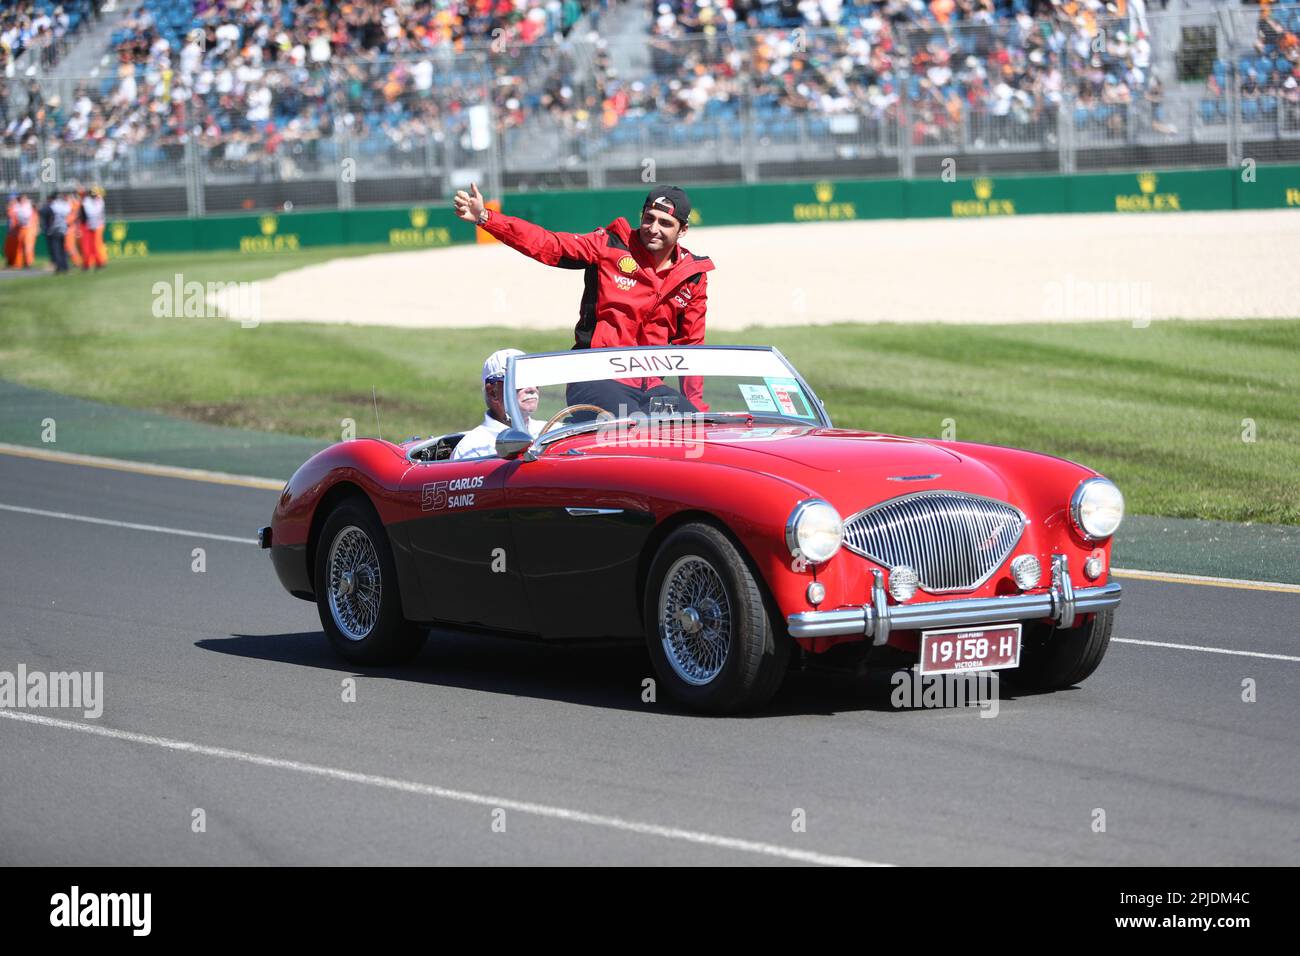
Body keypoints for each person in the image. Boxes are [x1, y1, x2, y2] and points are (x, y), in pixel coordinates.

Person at [452, 183, 713, 416]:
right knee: (635, 427)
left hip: (650, 387)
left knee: (695, 434)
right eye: (649, 219)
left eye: (665, 223)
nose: (653, 229)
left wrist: (697, 412)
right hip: (594, 375)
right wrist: (486, 217)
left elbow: (692, 348)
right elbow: (548, 244)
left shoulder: (692, 276)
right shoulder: (609, 245)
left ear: (683, 230)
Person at [450, 348, 551, 461]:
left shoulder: (552, 431)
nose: (532, 388)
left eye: (533, 378)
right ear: (493, 392)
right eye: (519, 381)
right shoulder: (473, 449)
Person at [40, 191, 70, 273]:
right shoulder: (64, 205)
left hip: (54, 230)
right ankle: (65, 266)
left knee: (56, 250)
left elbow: (43, 212)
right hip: (63, 229)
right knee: (63, 249)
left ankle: (59, 267)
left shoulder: (52, 206)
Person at [79, 185, 107, 270]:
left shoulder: (98, 202)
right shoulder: (87, 201)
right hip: (88, 226)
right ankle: (88, 263)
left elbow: (92, 213)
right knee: (87, 246)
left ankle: (99, 262)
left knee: (96, 245)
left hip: (96, 226)